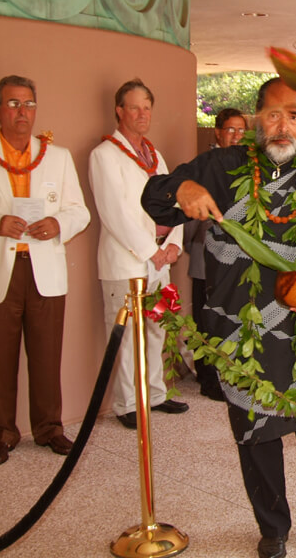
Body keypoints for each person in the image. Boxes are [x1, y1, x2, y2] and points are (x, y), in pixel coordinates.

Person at [140, 78, 296, 557]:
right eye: (273, 115)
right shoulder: (220, 166)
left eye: (294, 116)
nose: (283, 126)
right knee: (257, 432)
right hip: (242, 330)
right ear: (257, 120)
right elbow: (154, 197)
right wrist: (183, 187)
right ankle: (273, 528)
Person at [0, 75, 90, 465]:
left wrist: (58, 225)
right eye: (13, 104)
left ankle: (49, 428)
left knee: (48, 353)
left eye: (29, 104)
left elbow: (79, 211)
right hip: (2, 269)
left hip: (44, 267)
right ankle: (0, 432)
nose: (22, 112)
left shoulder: (58, 156)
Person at [89, 78, 188, 430]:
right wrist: (151, 251)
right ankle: (127, 403)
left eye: (147, 107)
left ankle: (156, 393)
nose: (142, 114)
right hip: (126, 262)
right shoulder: (103, 155)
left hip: (160, 263)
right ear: (119, 111)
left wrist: (173, 243)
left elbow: (172, 199)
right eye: (135, 107)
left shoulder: (155, 154)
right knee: (127, 332)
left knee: (158, 327)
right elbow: (115, 213)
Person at [186, 107, 247, 401]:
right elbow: (188, 216)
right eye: (230, 130)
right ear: (218, 132)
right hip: (207, 253)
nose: (236, 136)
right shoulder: (203, 167)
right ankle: (208, 379)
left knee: (233, 318)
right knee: (206, 317)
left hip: (238, 259)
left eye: (241, 130)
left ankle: (232, 375)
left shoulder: (247, 167)